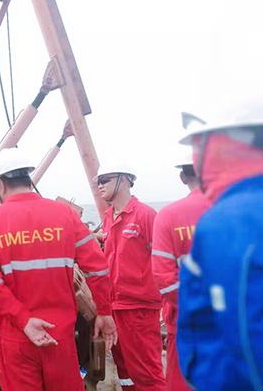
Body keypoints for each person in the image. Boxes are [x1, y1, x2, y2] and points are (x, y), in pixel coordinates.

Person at [0, 147, 118, 391]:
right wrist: (104, 312)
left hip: (17, 337)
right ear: (28, 178)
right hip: (59, 336)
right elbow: (97, 268)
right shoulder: (64, 214)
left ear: (0, 185)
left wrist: (24, 320)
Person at [177, 96, 263, 390]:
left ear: (221, 145)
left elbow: (254, 344)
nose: (196, 160)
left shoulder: (227, 224)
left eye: (198, 146)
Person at [94, 163, 166, 391]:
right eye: (98, 181)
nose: (99, 185)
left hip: (139, 310)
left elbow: (164, 260)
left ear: (124, 180)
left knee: (147, 375)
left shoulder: (145, 215)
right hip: (113, 308)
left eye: (104, 179)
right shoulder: (108, 216)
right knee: (124, 372)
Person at [151, 150, 211, 391]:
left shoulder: (168, 215)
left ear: (182, 177)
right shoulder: (236, 210)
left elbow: (164, 280)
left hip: (186, 325)